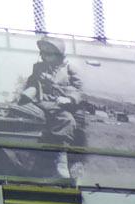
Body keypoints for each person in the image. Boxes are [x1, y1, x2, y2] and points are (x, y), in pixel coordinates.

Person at [16, 36, 84, 178]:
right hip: (42, 101)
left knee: (67, 120)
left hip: (61, 103)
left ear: (58, 53)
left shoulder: (69, 68)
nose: (44, 55)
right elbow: (32, 83)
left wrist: (69, 98)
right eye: (43, 52)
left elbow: (79, 90)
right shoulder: (38, 67)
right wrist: (27, 92)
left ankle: (61, 160)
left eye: (49, 52)